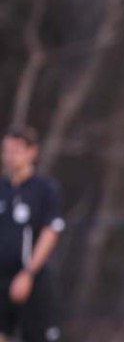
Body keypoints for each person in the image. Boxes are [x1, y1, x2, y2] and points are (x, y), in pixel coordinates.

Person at [0, 127, 64, 342]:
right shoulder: (2, 188)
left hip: (32, 279)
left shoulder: (45, 189)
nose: (10, 156)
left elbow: (50, 232)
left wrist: (28, 273)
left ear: (32, 152)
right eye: (6, 150)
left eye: (16, 151)